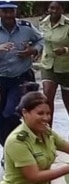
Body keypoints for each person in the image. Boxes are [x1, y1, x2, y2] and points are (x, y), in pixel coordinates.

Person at [39, 1, 69, 140]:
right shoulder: (43, 23)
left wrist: (65, 50)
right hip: (48, 65)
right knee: (47, 97)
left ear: (62, 10)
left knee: (67, 99)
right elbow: (41, 40)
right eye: (51, 8)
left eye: (57, 8)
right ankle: (48, 131)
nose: (53, 11)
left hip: (67, 67)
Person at [0, 2, 42, 145]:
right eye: (4, 11)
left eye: (11, 11)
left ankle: (18, 145)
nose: (8, 15)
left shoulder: (26, 28)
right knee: (1, 118)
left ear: (15, 11)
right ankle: (9, 146)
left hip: (20, 78)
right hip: (1, 79)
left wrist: (33, 50)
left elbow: (41, 40)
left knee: (10, 113)